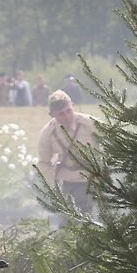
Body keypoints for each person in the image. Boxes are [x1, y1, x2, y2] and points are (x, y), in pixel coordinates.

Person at [37, 90, 100, 220]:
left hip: (92, 178)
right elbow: (44, 163)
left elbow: (112, 139)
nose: (66, 116)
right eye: (61, 114)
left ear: (72, 105)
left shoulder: (89, 124)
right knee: (67, 221)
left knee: (82, 217)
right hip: (67, 182)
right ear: (52, 114)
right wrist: (53, 189)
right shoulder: (48, 133)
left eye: (68, 110)